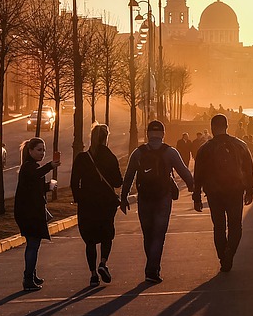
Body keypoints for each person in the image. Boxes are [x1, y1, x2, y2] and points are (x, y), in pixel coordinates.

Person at [120, 119, 194, 284]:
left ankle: (151, 266)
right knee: (159, 235)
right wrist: (193, 188)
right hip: (163, 198)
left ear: (147, 134)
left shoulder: (138, 153)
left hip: (144, 198)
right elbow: (184, 172)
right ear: (163, 134)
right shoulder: (170, 152)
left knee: (148, 234)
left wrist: (123, 197)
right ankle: (153, 269)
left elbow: (129, 176)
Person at [193, 114, 253, 272]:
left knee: (219, 226)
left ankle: (223, 257)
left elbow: (198, 175)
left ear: (212, 128)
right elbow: (249, 170)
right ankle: (229, 255)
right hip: (235, 191)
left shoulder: (205, 149)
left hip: (214, 193)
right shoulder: (240, 145)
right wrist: (250, 191)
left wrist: (197, 198)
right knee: (235, 226)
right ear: (227, 126)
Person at [70, 123, 123, 287]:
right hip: (106, 203)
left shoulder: (82, 157)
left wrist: (79, 198)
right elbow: (117, 181)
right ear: (106, 138)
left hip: (87, 204)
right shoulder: (110, 157)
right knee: (107, 234)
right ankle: (103, 263)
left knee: (90, 240)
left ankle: (93, 275)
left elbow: (74, 182)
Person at [15, 137, 62, 291]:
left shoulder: (32, 167)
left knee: (33, 245)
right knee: (32, 246)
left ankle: (31, 274)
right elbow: (36, 175)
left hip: (32, 211)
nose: (42, 153)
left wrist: (50, 186)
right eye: (39, 150)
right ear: (30, 151)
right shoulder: (29, 167)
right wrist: (50, 165)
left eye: (44, 150)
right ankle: (28, 279)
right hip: (29, 213)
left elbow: (38, 187)